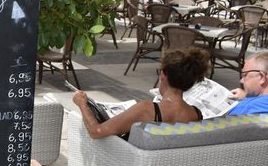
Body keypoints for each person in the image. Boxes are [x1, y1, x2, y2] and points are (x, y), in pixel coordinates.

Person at [73, 47, 208, 139]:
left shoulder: (146, 110)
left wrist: (82, 104)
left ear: (163, 75)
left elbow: (96, 132)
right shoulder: (195, 114)